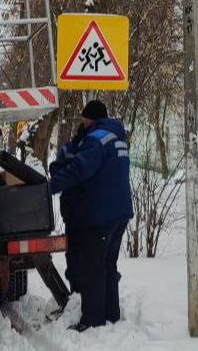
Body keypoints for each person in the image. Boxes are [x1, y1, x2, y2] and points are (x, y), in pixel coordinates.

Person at [48, 100, 133, 332]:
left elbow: (81, 169)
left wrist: (51, 187)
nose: (82, 121)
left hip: (100, 215)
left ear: (91, 118)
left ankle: (93, 321)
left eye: (85, 118)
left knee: (93, 269)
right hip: (119, 213)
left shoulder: (96, 139)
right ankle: (111, 315)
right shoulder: (117, 137)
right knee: (107, 265)